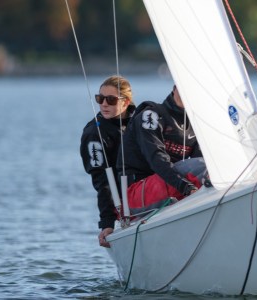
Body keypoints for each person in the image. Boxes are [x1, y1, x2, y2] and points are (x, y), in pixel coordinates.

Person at [117, 85, 206, 218]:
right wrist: (186, 187)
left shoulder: (196, 122)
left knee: (211, 165)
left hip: (168, 187)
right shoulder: (151, 116)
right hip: (135, 195)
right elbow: (157, 158)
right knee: (202, 165)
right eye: (183, 87)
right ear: (175, 88)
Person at [80, 75, 135, 248]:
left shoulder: (138, 120)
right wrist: (107, 223)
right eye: (100, 98)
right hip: (125, 200)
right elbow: (101, 181)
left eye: (110, 99)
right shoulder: (94, 135)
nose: (103, 104)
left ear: (125, 102)